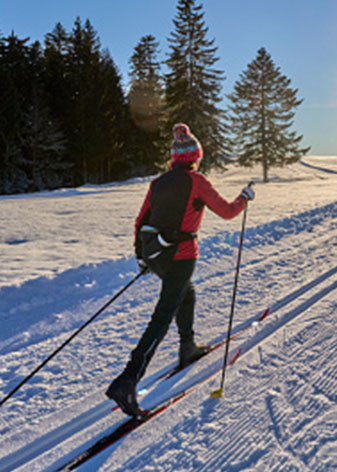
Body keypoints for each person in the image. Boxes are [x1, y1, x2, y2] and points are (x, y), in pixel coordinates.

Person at [106, 123, 255, 417]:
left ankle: (187, 346)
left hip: (157, 254)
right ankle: (127, 381)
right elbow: (227, 212)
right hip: (182, 256)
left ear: (175, 158)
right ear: (195, 157)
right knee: (163, 315)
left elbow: (140, 221)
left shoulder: (157, 183)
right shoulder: (197, 182)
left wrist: (141, 257)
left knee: (186, 292)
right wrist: (245, 198)